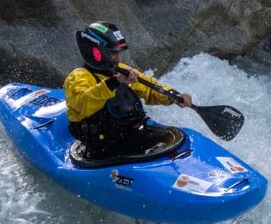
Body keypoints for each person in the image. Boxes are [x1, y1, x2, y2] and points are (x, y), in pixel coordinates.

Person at [64, 22, 193, 160]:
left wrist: (173, 96)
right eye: (113, 53)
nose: (118, 58)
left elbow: (149, 88)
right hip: (102, 148)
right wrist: (114, 82)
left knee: (178, 138)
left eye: (119, 53)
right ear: (95, 51)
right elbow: (82, 103)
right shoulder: (78, 77)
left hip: (129, 137)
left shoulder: (120, 69)